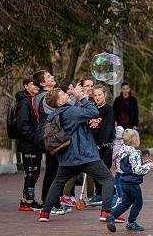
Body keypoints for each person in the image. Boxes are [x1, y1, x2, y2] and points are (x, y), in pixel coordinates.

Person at [38, 86, 116, 223]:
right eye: (62, 94)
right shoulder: (71, 111)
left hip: (67, 158)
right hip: (85, 156)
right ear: (59, 102)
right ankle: (106, 212)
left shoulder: (54, 114)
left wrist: (82, 98)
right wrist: (81, 98)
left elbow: (78, 113)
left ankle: (44, 213)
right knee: (108, 179)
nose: (66, 94)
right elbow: (93, 112)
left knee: (57, 183)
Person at [106, 129, 153, 232]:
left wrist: (142, 162)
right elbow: (137, 170)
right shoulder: (135, 152)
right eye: (138, 138)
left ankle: (112, 215)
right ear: (134, 140)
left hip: (124, 181)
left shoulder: (123, 150)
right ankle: (131, 222)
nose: (139, 140)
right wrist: (148, 166)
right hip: (133, 182)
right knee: (138, 202)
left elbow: (129, 164)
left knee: (126, 202)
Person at [32, 70, 65, 213]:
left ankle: (52, 202)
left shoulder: (43, 95)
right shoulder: (44, 97)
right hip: (50, 137)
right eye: (48, 77)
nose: (52, 77)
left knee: (54, 169)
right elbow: (58, 111)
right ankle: (50, 203)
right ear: (42, 83)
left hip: (50, 135)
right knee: (53, 170)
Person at [15, 79, 44, 211]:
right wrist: (35, 138)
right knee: (31, 172)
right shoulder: (24, 102)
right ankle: (27, 202)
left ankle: (27, 199)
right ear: (26, 86)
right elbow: (22, 125)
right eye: (33, 84)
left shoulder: (33, 100)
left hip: (35, 144)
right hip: (29, 145)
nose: (36, 86)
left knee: (34, 172)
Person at [88, 85, 116, 205]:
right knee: (94, 171)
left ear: (105, 95)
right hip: (92, 146)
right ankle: (99, 194)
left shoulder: (108, 110)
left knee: (104, 171)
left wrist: (100, 143)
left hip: (104, 146)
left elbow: (107, 128)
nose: (97, 97)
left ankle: (113, 194)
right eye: (95, 95)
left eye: (100, 95)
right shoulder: (92, 109)